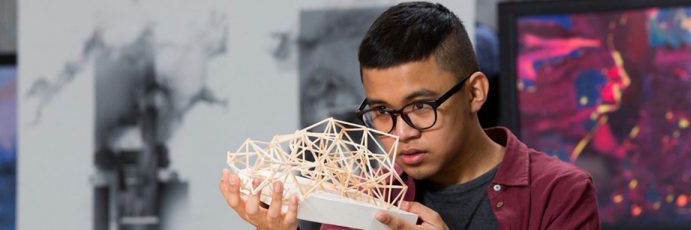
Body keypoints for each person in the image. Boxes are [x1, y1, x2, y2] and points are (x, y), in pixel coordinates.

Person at [219, 2, 600, 229]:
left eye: (421, 106)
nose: (401, 133)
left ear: (475, 92)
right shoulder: (363, 196)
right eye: (383, 112)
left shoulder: (559, 192)